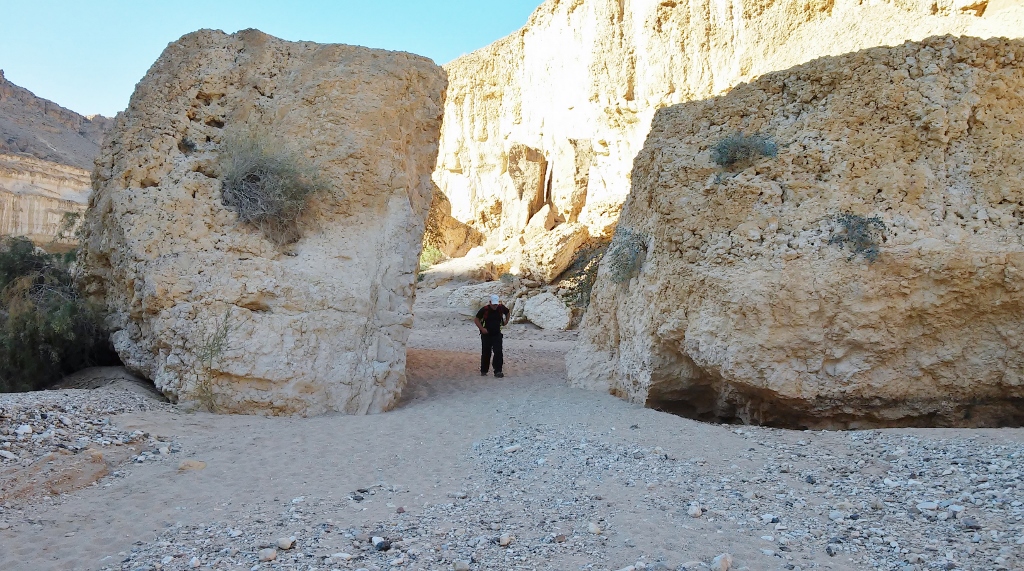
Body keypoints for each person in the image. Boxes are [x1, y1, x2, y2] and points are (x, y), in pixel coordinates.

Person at [474, 294, 510, 377]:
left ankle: (498, 371)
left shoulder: (501, 308)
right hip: (486, 335)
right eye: (493, 304)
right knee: (486, 352)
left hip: (497, 334)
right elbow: (476, 319)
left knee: (498, 352)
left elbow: (507, 312)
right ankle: (484, 370)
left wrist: (506, 321)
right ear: (490, 302)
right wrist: (482, 329)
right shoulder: (485, 309)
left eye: (496, 304)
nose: (495, 306)